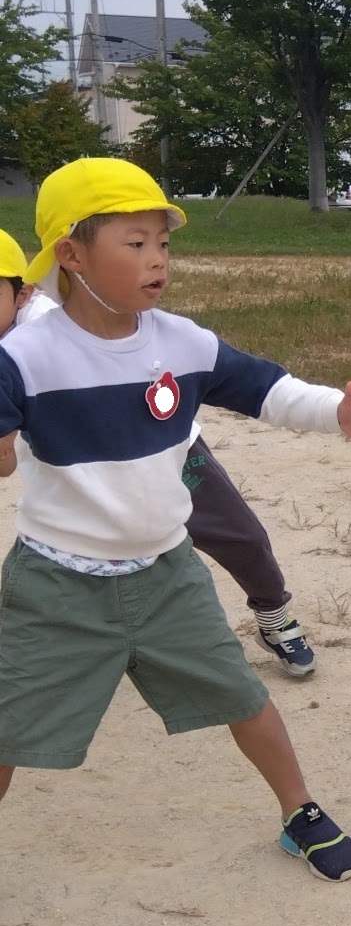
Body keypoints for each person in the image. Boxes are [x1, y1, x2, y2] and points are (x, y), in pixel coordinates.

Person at [0, 158, 351, 881]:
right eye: (134, 243)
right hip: (56, 584)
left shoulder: (179, 342)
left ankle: (299, 812)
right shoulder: (23, 357)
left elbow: (266, 388)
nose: (157, 261)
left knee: (244, 697)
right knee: (6, 727)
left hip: (167, 572)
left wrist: (334, 409)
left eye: (163, 244)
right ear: (70, 257)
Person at [0, 231, 318, 678]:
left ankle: (273, 613)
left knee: (238, 535)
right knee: (84, 557)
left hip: (161, 450)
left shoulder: (47, 330)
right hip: (82, 478)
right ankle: (101, 643)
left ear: (21, 293)